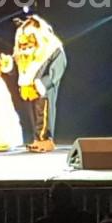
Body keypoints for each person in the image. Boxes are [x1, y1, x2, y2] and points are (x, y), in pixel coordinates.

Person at [14, 15, 67, 152]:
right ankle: (38, 139)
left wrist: (45, 83)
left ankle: (46, 139)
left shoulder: (52, 48)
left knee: (44, 111)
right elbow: (19, 65)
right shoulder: (28, 51)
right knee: (34, 113)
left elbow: (58, 67)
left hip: (44, 86)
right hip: (30, 86)